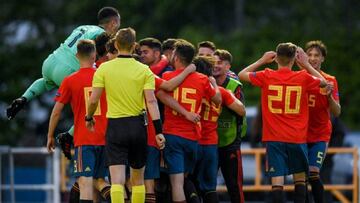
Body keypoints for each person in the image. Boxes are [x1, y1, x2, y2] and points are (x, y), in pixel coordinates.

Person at [238, 42, 328, 203]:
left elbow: (241, 74)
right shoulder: (303, 77)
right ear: (294, 59)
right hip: (297, 137)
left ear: (276, 59)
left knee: (277, 184)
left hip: (274, 139)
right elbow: (323, 81)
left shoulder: (266, 75)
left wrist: (261, 60)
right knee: (300, 181)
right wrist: (306, 64)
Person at [86, 27, 165, 203]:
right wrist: (158, 131)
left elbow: (93, 100)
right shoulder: (144, 70)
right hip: (138, 126)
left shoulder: (104, 69)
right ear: (134, 46)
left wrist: (88, 117)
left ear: (115, 44)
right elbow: (151, 102)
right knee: (137, 181)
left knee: (117, 181)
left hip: (115, 127)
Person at [6, 6, 121, 120]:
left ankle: (23, 98)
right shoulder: (102, 36)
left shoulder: (83, 27)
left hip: (50, 63)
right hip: (69, 70)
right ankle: (69, 135)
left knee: (46, 82)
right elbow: (101, 58)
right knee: (94, 103)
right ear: (114, 22)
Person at [46, 40, 111, 203]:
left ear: (76, 56)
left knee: (85, 182)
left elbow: (56, 112)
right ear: (94, 54)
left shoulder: (70, 80)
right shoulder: (105, 76)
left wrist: (50, 135)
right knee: (101, 180)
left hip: (85, 139)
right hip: (107, 137)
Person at [161, 39, 221, 203]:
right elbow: (217, 99)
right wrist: (214, 84)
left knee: (177, 183)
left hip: (173, 134)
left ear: (177, 58)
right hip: (193, 137)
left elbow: (161, 92)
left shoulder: (167, 76)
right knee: (188, 179)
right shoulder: (202, 79)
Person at [192, 56, 246, 203]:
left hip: (193, 141)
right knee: (210, 188)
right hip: (211, 144)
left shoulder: (190, 87)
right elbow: (241, 110)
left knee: (188, 183)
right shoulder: (221, 91)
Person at [304, 40, 341, 203]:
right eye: (309, 55)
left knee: (313, 172)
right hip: (300, 133)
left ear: (323, 58)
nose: (313, 58)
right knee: (301, 177)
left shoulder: (330, 80)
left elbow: (337, 111)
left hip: (320, 134)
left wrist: (329, 96)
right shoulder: (299, 77)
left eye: (316, 55)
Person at [213, 49, 246, 203]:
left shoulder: (234, 85)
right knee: (207, 185)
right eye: (213, 62)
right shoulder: (204, 81)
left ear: (228, 66)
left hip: (230, 141)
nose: (215, 66)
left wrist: (223, 97)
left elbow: (241, 112)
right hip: (210, 142)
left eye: (219, 63)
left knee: (234, 185)